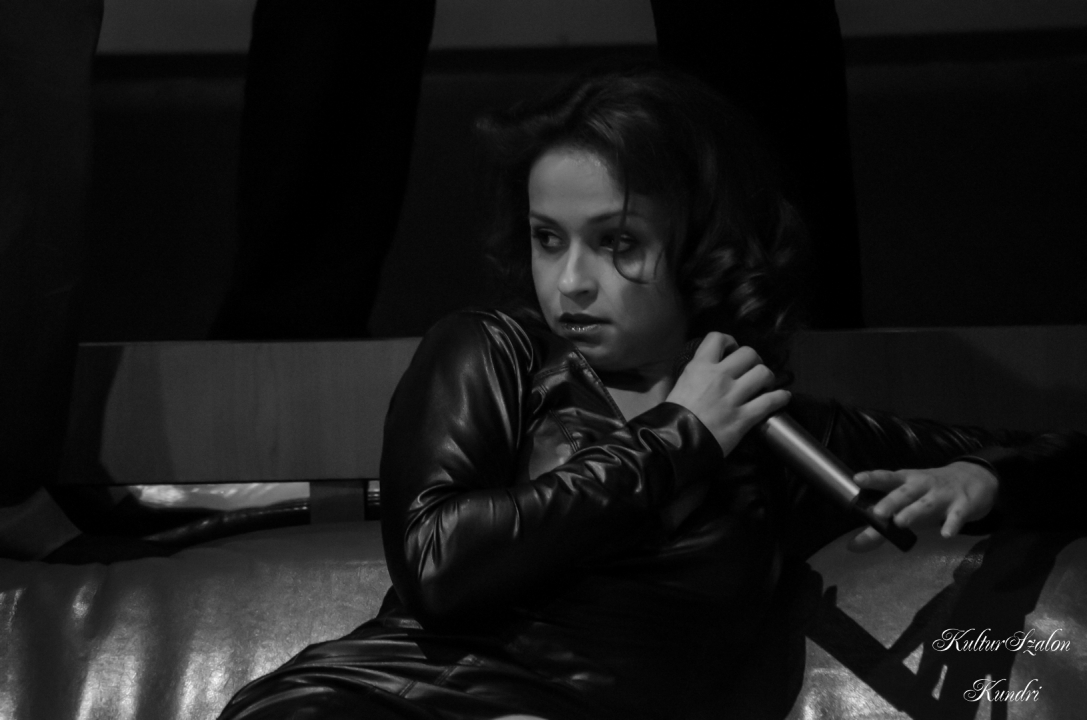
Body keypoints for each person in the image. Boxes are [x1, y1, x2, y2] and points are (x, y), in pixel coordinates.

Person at [216, 65, 1086, 720]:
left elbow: (1069, 460)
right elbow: (439, 563)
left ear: (704, 245)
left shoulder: (777, 438)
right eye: (547, 239)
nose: (570, 281)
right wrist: (676, 439)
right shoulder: (495, 351)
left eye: (616, 243)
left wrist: (988, 480)